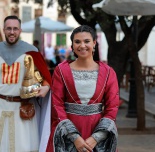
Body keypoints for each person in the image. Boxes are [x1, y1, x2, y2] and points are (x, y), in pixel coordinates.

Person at [46, 25, 119, 152]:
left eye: (87, 41)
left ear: (94, 43)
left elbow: (112, 106)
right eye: (77, 42)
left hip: (96, 130)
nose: (82, 45)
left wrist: (96, 138)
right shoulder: (61, 70)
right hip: (67, 131)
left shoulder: (108, 72)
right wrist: (74, 137)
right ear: (72, 45)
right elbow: (56, 104)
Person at [0, 15, 52, 152]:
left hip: (22, 108)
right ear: (4, 30)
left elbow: (45, 77)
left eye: (15, 29)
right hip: (0, 105)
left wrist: (46, 86)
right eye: (9, 28)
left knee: (22, 147)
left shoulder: (31, 51)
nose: (12, 32)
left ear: (20, 30)